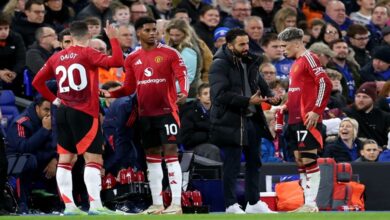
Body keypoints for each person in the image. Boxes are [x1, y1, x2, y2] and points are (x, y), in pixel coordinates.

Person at [32, 20, 124, 215]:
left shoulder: (57, 57)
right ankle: (96, 206)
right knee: (93, 159)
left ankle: (69, 207)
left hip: (63, 111)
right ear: (89, 35)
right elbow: (117, 61)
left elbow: (37, 82)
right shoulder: (88, 53)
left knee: (65, 159)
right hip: (84, 111)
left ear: (71, 37)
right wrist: (114, 38)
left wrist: (54, 100)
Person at [102, 16, 188, 215]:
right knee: (152, 158)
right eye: (147, 30)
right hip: (145, 114)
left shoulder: (170, 53)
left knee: (171, 152)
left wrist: (183, 90)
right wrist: (110, 93)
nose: (152, 33)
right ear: (138, 33)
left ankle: (176, 204)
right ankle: (157, 204)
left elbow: (182, 74)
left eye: (154, 30)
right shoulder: (132, 58)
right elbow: (129, 87)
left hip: (167, 112)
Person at [209, 28, 279, 214]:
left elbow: (260, 83)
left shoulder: (250, 61)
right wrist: (247, 101)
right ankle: (230, 205)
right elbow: (219, 95)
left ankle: (254, 202)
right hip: (230, 120)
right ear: (229, 45)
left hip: (252, 118)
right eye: (241, 44)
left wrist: (271, 95)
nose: (246, 47)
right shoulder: (219, 65)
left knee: (255, 162)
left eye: (247, 43)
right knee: (232, 164)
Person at [278, 27, 332, 212]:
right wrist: (286, 106)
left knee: (309, 160)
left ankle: (311, 204)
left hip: (306, 118)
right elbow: (298, 91)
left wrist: (317, 110)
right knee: (300, 161)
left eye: (285, 46)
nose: (282, 50)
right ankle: (306, 203)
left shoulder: (309, 58)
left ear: (296, 43)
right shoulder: (295, 64)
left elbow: (325, 82)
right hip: (294, 118)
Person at [5, 96, 58, 213]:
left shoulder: (51, 122)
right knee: (29, 160)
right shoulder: (21, 122)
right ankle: (20, 203)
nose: (49, 114)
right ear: (37, 108)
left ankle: (60, 203)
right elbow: (24, 148)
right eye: (46, 110)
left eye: (51, 110)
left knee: (64, 162)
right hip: (13, 163)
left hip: (38, 160)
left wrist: (54, 159)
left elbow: (57, 146)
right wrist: (44, 130)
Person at [179, 83, 221, 161]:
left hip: (215, 143)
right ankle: (214, 173)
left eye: (211, 93)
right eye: (205, 93)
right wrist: (208, 136)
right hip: (195, 146)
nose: (209, 96)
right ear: (199, 96)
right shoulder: (190, 112)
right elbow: (186, 138)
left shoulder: (218, 110)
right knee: (212, 150)